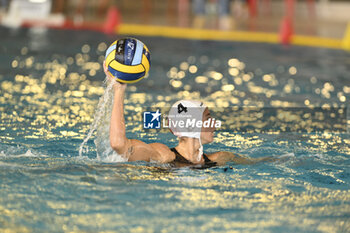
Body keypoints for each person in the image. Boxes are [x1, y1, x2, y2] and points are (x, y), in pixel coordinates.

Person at [104, 62, 275, 167]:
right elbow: (119, 144)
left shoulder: (220, 158)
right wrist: (119, 89)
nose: (214, 123)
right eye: (207, 118)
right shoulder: (163, 156)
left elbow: (263, 162)